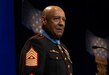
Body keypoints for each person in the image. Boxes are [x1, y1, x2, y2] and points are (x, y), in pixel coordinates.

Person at [19, 5, 73, 75]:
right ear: (44, 20)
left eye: (63, 19)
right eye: (56, 19)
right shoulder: (36, 43)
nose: (61, 23)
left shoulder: (63, 48)